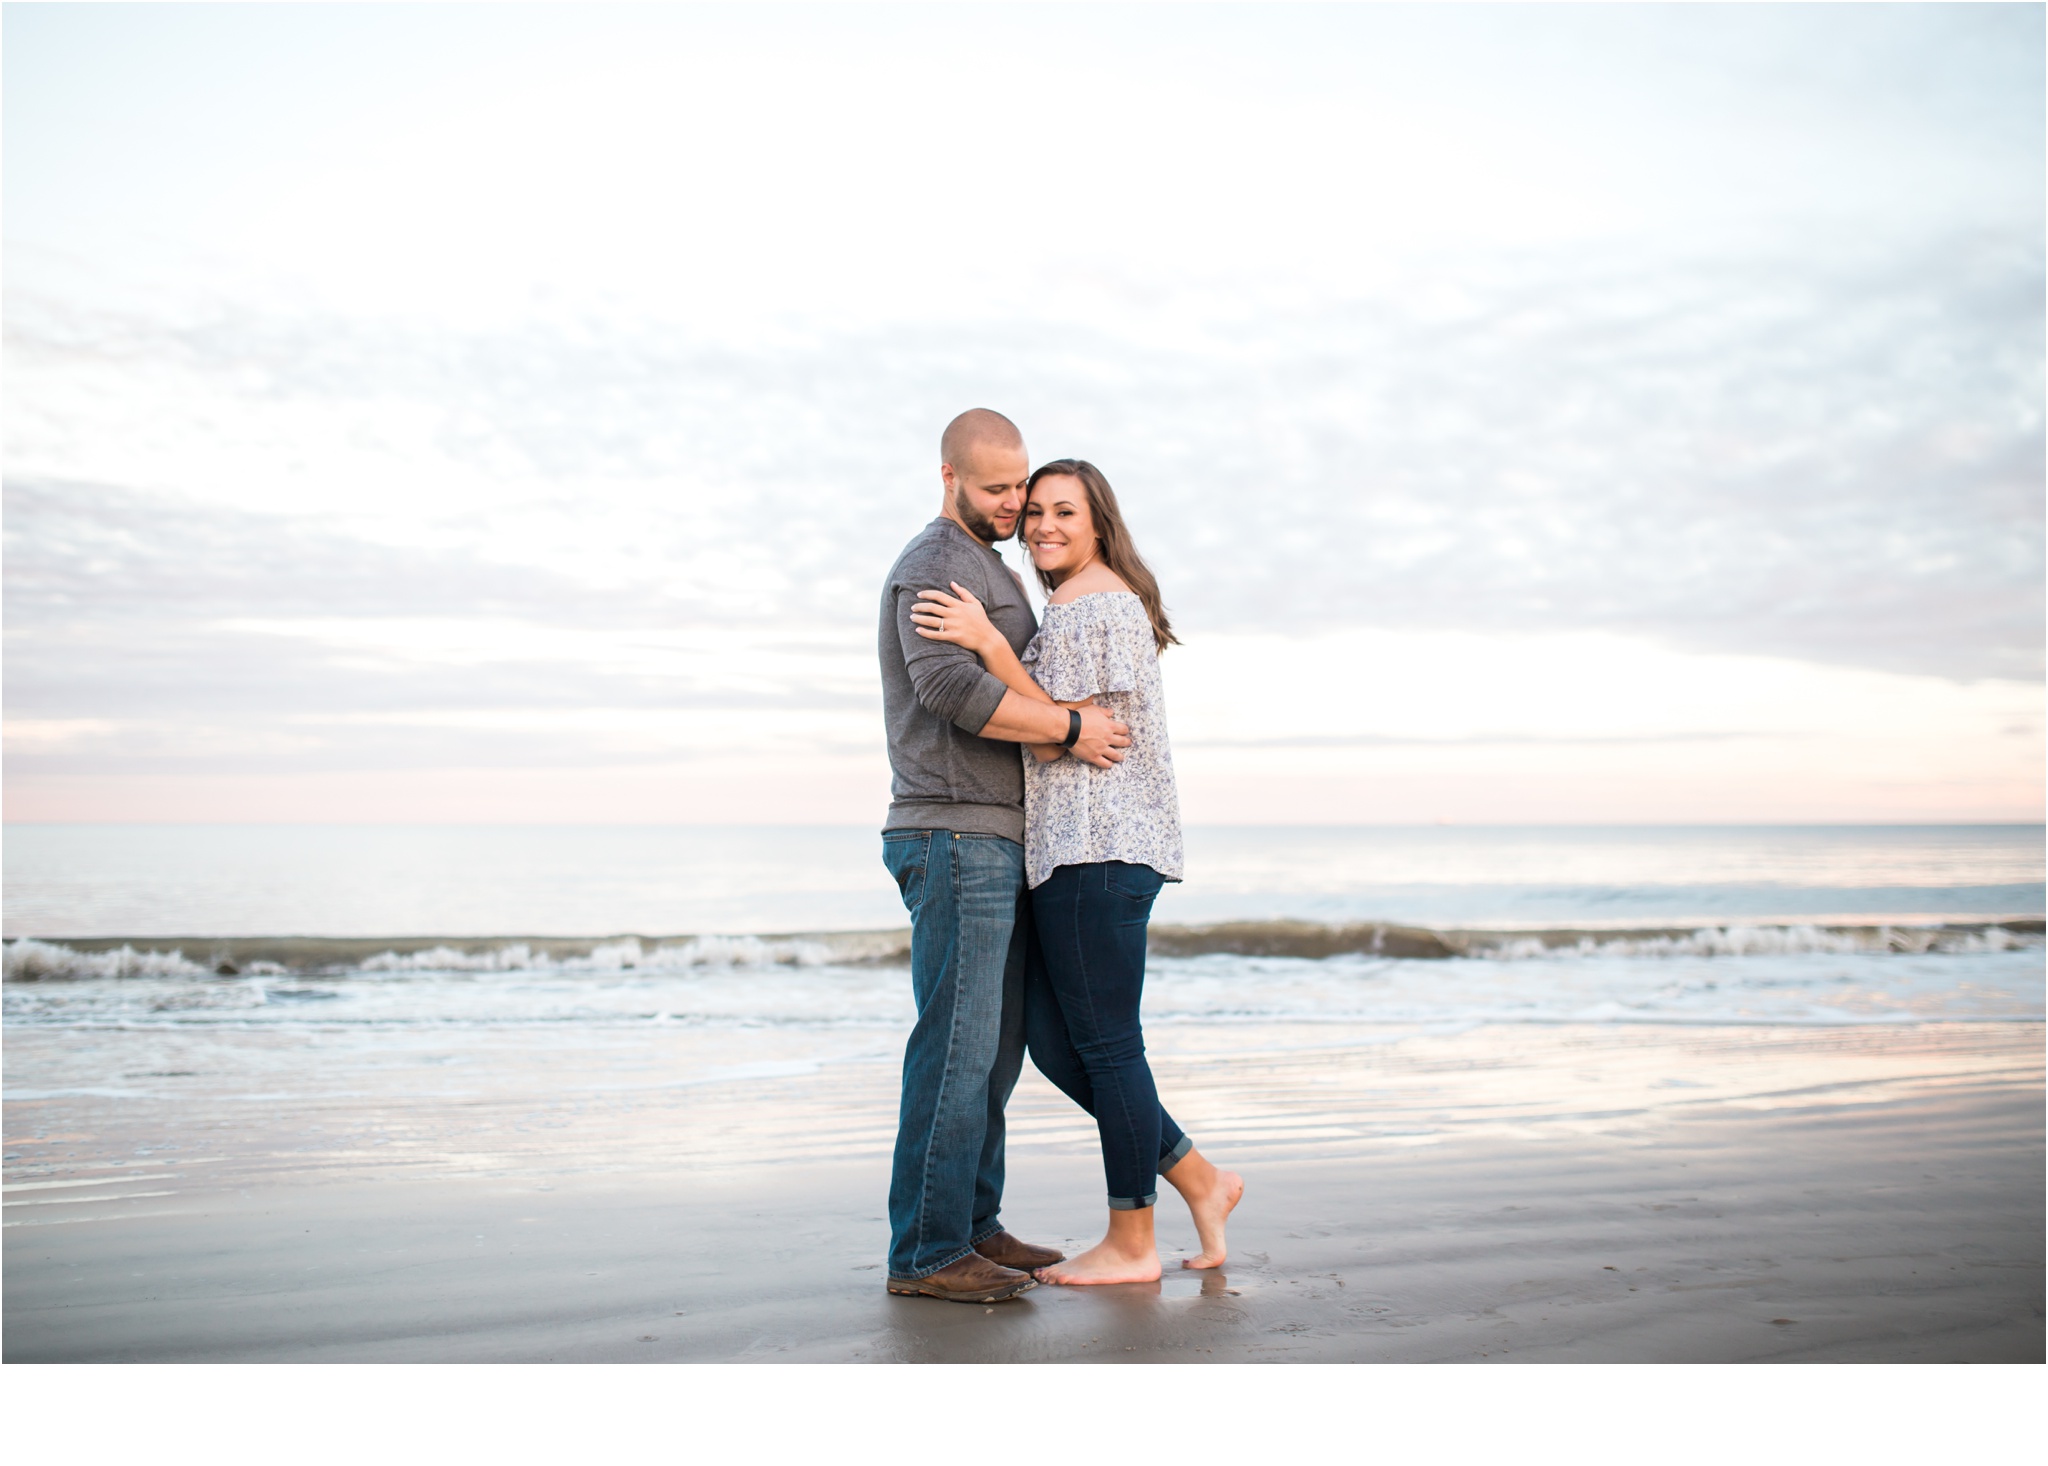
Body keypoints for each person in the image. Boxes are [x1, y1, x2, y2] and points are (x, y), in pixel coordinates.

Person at [911, 458, 1245, 1285]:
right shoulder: (1072, 601)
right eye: (1036, 513)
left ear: (1100, 524)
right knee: (1064, 1048)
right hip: (1072, 850)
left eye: (1066, 511)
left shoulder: (1100, 603)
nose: (1044, 526)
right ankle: (1203, 1179)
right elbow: (1059, 720)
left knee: (1108, 1045)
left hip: (1102, 847)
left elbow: (1062, 724)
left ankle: (1133, 1243)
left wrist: (989, 642)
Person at [876, 411, 1134, 1304]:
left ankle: (972, 1225)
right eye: (996, 489)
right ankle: (926, 1252)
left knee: (994, 1049)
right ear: (948, 477)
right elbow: (948, 688)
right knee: (955, 1047)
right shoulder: (936, 564)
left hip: (999, 836)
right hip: (952, 831)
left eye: (1020, 486)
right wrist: (1068, 729)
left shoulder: (993, 567)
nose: (1015, 504)